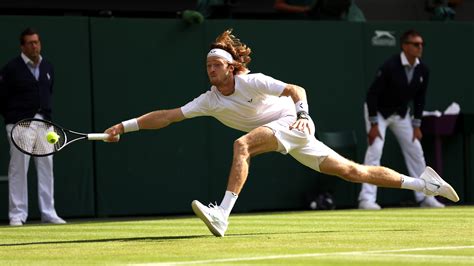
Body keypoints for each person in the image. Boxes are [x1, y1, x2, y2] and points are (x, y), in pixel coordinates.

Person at [104, 29, 459, 237]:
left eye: (217, 65)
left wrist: (303, 115)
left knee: (241, 144)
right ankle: (424, 183)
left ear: (232, 67)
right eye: (208, 66)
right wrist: (124, 126)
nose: (211, 70)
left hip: (291, 122)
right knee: (353, 172)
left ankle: (222, 215)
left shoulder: (252, 81)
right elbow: (167, 116)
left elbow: (295, 88)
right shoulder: (209, 100)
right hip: (289, 134)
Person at [358, 29, 445, 210]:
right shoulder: (390, 66)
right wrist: (373, 124)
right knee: (375, 151)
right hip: (378, 113)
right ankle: (366, 199)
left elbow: (420, 99)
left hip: (402, 115)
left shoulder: (423, 70)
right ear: (405, 46)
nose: (420, 47)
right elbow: (372, 95)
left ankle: (425, 197)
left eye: (421, 44)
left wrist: (417, 125)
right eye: (415, 44)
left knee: (416, 151)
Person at [0, 28, 66, 226]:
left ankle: (48, 211)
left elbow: (49, 92)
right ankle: (17, 215)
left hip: (44, 123)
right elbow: (2, 98)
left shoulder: (47, 67)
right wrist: (13, 121)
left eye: (36, 42)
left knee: (47, 167)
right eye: (29, 43)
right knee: (19, 168)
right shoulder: (11, 69)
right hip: (20, 124)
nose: (34, 46)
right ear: (22, 46)